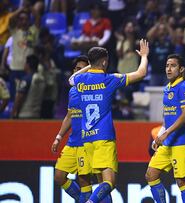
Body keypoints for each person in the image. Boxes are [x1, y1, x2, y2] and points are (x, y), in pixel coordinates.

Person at [68, 39, 149, 203]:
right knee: (109, 182)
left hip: (87, 139)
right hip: (104, 139)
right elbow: (141, 73)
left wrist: (91, 65)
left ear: (90, 63)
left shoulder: (80, 81)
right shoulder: (109, 79)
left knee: (100, 183)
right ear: (104, 62)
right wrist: (145, 56)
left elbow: (71, 78)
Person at [145, 54, 185, 203]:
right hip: (167, 142)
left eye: (173, 66)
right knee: (151, 175)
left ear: (181, 69)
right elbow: (168, 116)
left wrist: (166, 133)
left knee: (182, 182)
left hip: (182, 143)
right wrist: (160, 135)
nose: (168, 69)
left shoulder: (184, 87)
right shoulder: (167, 88)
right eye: (167, 65)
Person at [51, 55, 94, 203]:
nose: (78, 72)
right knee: (59, 176)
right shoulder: (73, 91)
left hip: (86, 142)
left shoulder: (92, 89)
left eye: (82, 69)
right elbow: (69, 116)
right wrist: (58, 137)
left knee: (84, 180)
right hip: (71, 142)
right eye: (76, 69)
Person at [11, 54, 45, 119]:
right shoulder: (42, 79)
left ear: (28, 65)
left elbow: (19, 97)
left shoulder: (26, 79)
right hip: (36, 114)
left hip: (24, 115)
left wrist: (13, 112)